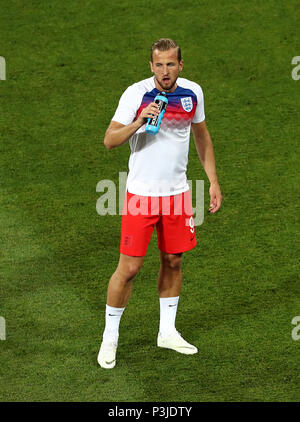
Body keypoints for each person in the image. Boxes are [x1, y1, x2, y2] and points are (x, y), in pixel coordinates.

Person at [98, 38, 222, 369]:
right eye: (159, 65)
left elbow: (201, 136)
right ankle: (110, 338)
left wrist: (212, 180)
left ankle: (167, 332)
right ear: (150, 66)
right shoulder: (135, 94)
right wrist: (138, 121)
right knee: (129, 269)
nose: (165, 71)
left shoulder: (193, 93)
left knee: (173, 260)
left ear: (181, 65)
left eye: (171, 64)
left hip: (178, 195)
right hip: (141, 196)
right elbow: (109, 141)